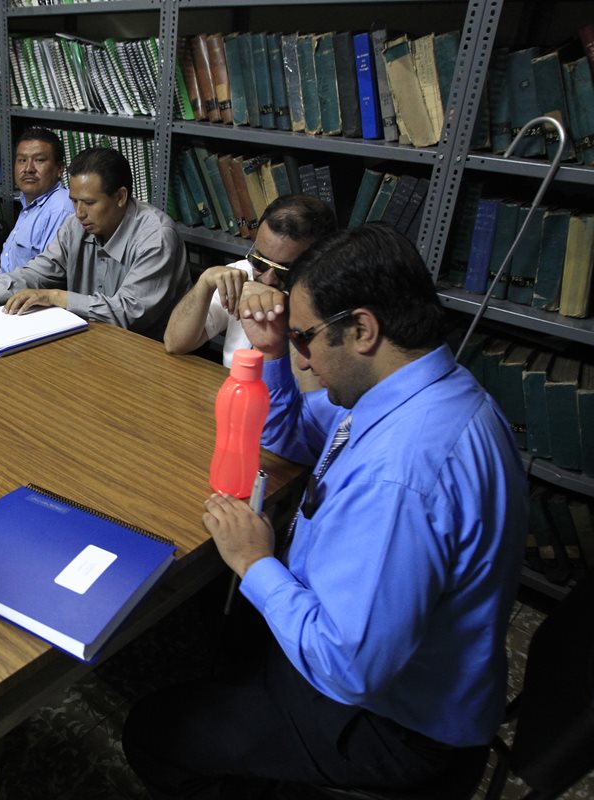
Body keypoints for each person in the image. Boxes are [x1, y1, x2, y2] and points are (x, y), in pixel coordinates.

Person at [122, 223, 528, 798]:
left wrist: (255, 563)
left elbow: (348, 666)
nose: (302, 358)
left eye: (305, 337)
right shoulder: (416, 391)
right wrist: (269, 355)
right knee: (227, 634)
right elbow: (287, 435)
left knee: (153, 732)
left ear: (362, 329)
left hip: (390, 724)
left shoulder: (404, 472)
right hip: (402, 669)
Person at [0, 148, 191, 339]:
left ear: (121, 196)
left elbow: (127, 312)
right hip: (92, 340)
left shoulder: (156, 237)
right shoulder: (76, 225)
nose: (79, 212)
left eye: (89, 203)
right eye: (74, 200)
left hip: (148, 357)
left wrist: (55, 296)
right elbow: (37, 272)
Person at [162, 194, 336, 366]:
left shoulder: (328, 307)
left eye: (284, 272)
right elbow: (174, 344)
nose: (267, 280)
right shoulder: (242, 273)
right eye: (259, 262)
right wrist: (205, 283)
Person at [0, 128, 74, 274]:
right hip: (4, 290)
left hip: (23, 295)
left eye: (39, 160)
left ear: (59, 169)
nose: (28, 169)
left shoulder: (61, 208)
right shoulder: (30, 203)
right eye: (22, 160)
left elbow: (46, 276)